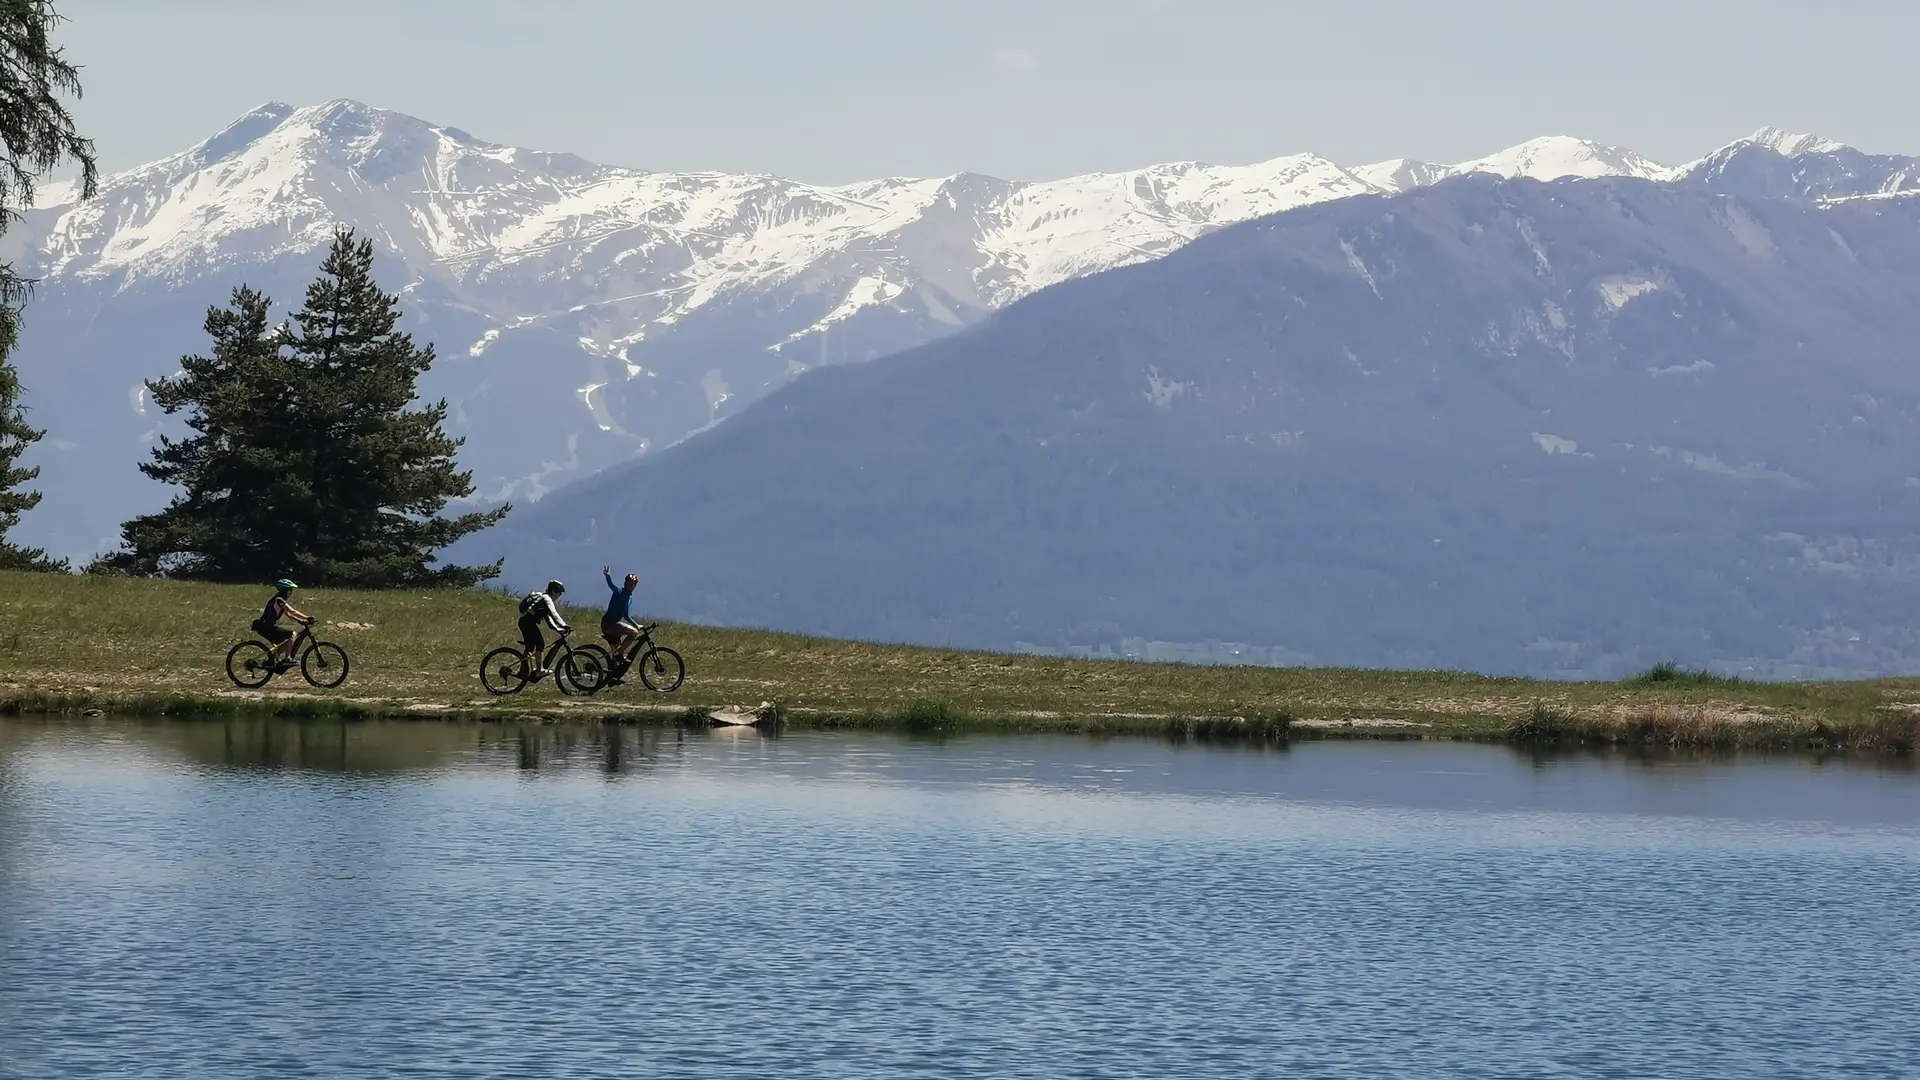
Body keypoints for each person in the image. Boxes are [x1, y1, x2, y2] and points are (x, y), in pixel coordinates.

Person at [517, 579, 570, 680]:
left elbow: (549, 621)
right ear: (554, 591)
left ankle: (523, 671)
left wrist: (559, 629)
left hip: (525, 622)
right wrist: (564, 625)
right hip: (527, 623)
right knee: (540, 643)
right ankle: (539, 670)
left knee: (530, 647)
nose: (559, 596)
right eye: (559, 593)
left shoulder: (543, 600)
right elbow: (554, 614)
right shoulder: (547, 599)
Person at [254, 579, 310, 669]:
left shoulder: (279, 600)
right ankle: (287, 659)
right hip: (266, 627)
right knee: (292, 635)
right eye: (290, 590)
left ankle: (272, 659)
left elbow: (288, 614)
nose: (291, 593)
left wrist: (300, 620)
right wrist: (307, 617)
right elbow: (292, 611)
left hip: (268, 626)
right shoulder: (279, 600)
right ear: (286, 591)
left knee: (285, 642)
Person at [601, 565, 642, 683]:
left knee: (616, 649)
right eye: (629, 583)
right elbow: (611, 586)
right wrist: (607, 576)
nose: (631, 585)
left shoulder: (629, 598)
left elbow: (626, 615)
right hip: (609, 624)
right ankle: (620, 653)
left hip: (613, 624)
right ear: (625, 583)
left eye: (633, 584)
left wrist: (636, 624)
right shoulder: (619, 592)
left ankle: (613, 676)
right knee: (633, 633)